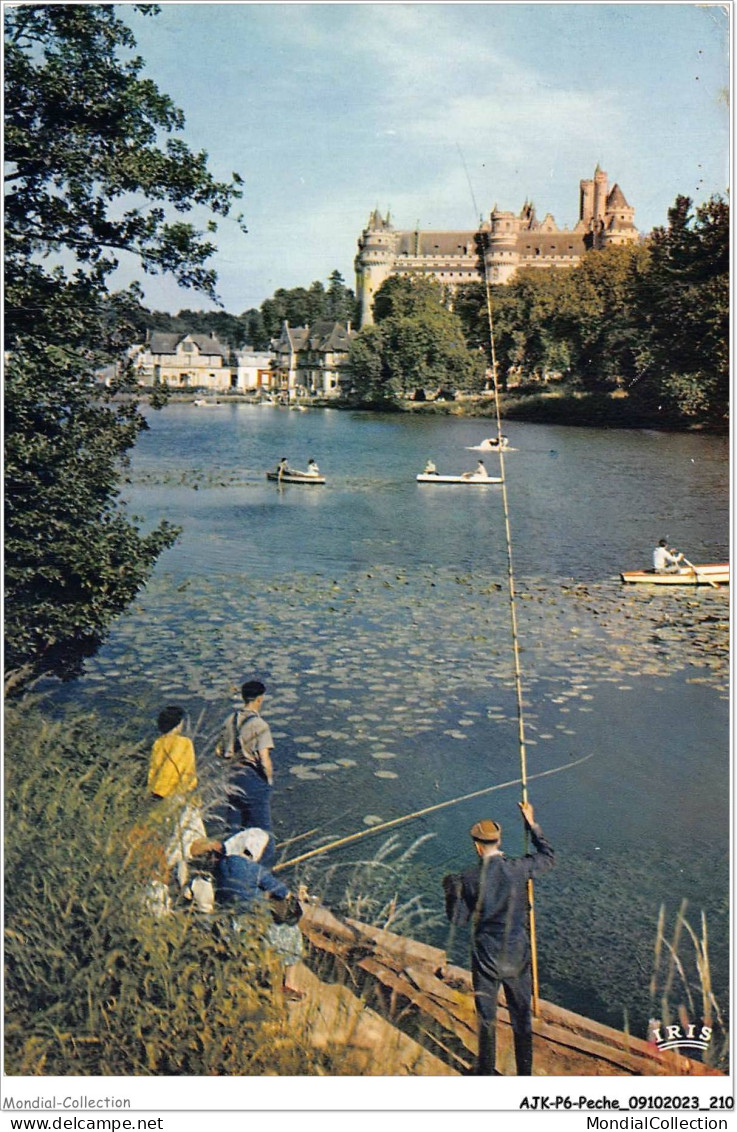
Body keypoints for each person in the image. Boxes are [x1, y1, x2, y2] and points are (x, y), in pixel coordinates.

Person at [442, 802, 554, 1076]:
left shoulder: (468, 878)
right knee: (521, 1019)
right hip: (517, 957)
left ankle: (486, 1074)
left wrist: (450, 890)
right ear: (498, 841)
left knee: (487, 1018)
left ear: (477, 846)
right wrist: (532, 824)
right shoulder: (518, 868)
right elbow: (548, 857)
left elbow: (458, 919)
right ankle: (524, 1076)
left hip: (486, 958)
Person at [191, 829, 305, 999]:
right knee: (292, 935)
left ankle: (238, 985)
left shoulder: (220, 867)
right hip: (256, 921)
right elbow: (281, 891)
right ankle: (288, 985)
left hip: (231, 922)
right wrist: (291, 896)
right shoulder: (253, 869)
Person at [147, 704, 207, 901]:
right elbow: (189, 776)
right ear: (179, 724)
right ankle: (189, 887)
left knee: (170, 844)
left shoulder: (158, 743)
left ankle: (171, 886)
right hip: (181, 800)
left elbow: (154, 775)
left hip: (160, 801)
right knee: (193, 845)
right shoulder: (185, 743)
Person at [217, 679, 276, 866]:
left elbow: (219, 752)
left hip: (232, 776)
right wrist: (269, 780)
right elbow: (264, 759)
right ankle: (260, 875)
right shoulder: (260, 725)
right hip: (252, 778)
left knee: (234, 831)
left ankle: (229, 870)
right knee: (263, 833)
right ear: (260, 699)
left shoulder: (229, 720)